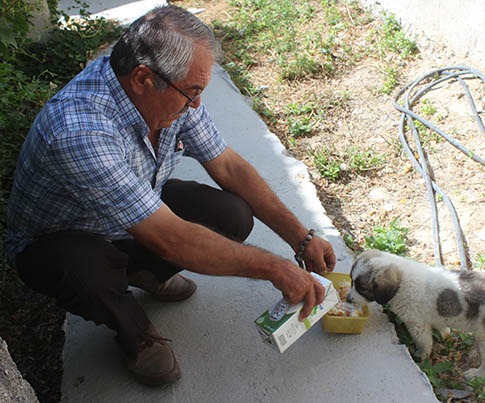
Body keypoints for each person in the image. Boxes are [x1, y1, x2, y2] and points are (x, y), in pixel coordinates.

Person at [4, 5, 336, 387]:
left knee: (232, 216)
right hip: (62, 238)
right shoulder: (78, 131)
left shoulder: (172, 89)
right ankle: (133, 331)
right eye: (192, 92)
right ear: (143, 78)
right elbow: (171, 238)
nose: (196, 104)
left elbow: (229, 167)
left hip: (135, 206)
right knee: (87, 273)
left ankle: (143, 272)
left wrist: (302, 237)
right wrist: (277, 269)